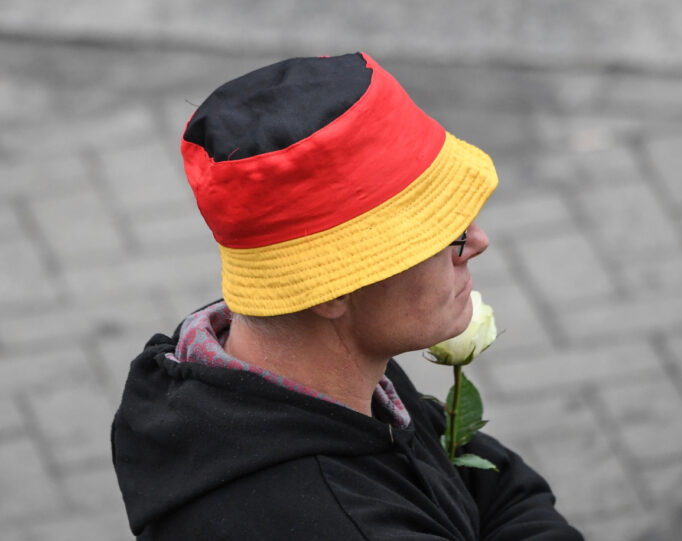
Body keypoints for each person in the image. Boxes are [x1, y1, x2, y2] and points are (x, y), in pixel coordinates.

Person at [111, 52, 583, 540]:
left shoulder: (315, 378)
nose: (477, 242)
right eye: (442, 232)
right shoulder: (335, 521)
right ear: (330, 287)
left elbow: (503, 487)